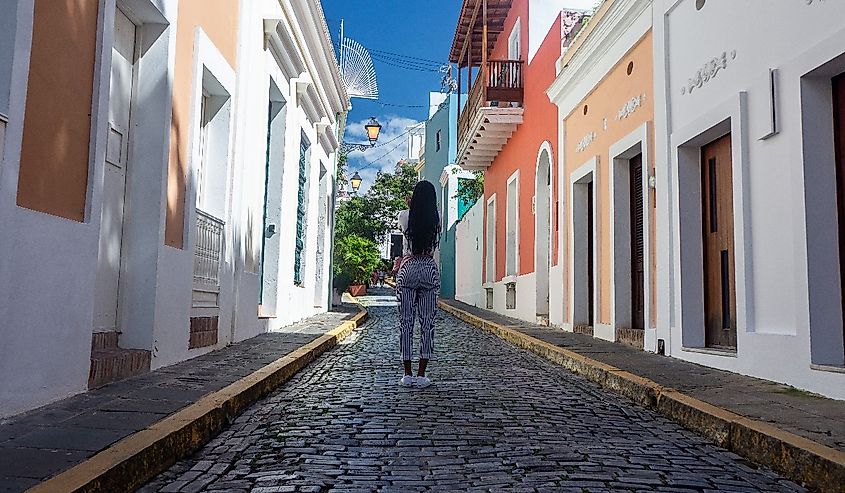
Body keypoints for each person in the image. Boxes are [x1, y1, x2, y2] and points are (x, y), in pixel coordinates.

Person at [395, 181, 441, 389]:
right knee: (427, 324)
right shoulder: (437, 218)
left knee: (406, 323)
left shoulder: (405, 216)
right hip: (429, 268)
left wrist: (411, 206)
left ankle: (407, 374)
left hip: (409, 268)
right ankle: (422, 375)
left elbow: (404, 222)